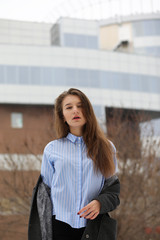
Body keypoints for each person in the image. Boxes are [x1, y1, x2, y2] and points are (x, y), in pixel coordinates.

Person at [28, 88, 120, 240]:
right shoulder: (52, 149)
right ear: (63, 116)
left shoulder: (107, 147)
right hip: (59, 226)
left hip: (94, 227)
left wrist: (100, 203)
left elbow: (113, 191)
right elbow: (45, 194)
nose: (75, 110)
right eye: (69, 107)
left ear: (88, 111)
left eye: (80, 105)